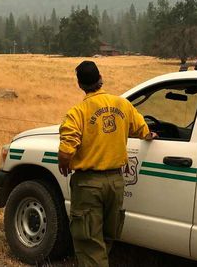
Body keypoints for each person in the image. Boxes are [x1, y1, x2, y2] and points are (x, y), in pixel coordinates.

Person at [58, 60, 157, 267]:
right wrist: (150, 134)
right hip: (116, 182)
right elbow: (142, 129)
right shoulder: (122, 104)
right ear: (100, 79)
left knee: (89, 241)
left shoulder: (78, 112)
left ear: (80, 84)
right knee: (107, 236)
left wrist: (64, 162)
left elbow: (68, 146)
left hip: (88, 184)